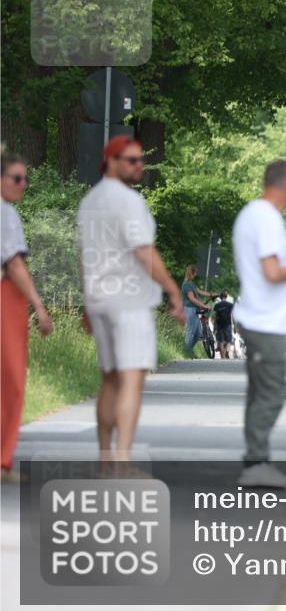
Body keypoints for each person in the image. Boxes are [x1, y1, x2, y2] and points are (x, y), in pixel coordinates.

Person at [77, 136, 185, 464]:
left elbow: (85, 256)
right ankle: (122, 460)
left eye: (140, 160)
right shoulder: (128, 201)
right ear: (111, 160)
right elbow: (143, 251)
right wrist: (173, 289)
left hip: (100, 299)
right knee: (132, 379)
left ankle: (105, 458)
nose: (139, 165)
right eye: (131, 160)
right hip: (128, 300)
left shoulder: (90, 202)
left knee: (109, 378)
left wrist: (86, 301)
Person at [233, 159, 286, 489]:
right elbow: (273, 272)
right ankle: (256, 462)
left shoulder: (251, 213)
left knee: (258, 392)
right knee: (273, 393)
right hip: (265, 320)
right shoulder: (267, 218)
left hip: (258, 316)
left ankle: (255, 461)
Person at [1, 153, 53, 482]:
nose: (23, 185)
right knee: (11, 381)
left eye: (25, 179)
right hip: (5, 298)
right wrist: (39, 306)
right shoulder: (5, 214)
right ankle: (2, 458)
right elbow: (15, 265)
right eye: (17, 178)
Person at [181, 265, 214, 357]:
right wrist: (204, 305)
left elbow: (200, 292)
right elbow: (192, 299)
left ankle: (187, 350)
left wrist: (212, 295)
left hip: (195, 310)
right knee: (191, 331)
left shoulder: (191, 284)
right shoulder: (186, 284)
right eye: (195, 273)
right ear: (193, 273)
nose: (196, 274)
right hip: (189, 309)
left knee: (198, 333)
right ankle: (186, 352)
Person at [213, 290, 235, 358]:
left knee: (221, 341)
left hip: (219, 324)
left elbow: (216, 315)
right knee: (228, 340)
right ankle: (226, 351)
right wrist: (235, 325)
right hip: (228, 324)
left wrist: (214, 325)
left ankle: (222, 356)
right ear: (226, 297)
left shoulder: (217, 305)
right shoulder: (230, 305)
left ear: (220, 297)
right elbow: (233, 315)